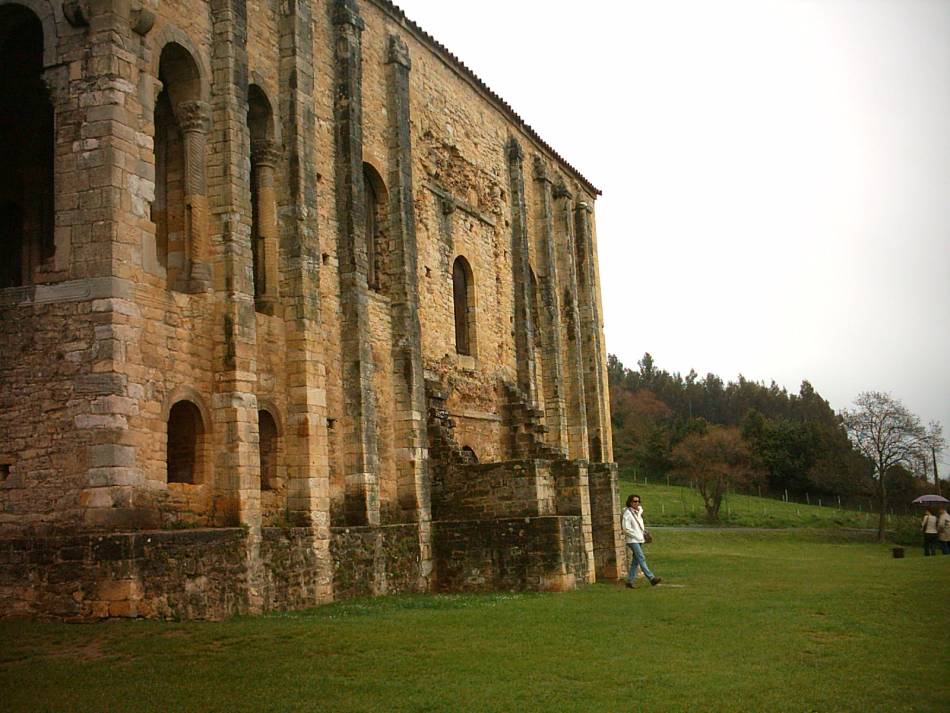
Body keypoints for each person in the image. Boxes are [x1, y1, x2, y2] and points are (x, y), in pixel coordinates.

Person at [622, 493, 661, 588]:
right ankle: (651, 578)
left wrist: (641, 535)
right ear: (630, 502)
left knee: (636, 561)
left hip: (639, 539)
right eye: (635, 501)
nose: (637, 503)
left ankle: (630, 581)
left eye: (638, 501)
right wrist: (636, 535)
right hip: (632, 540)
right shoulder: (627, 513)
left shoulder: (639, 512)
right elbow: (625, 528)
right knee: (641, 557)